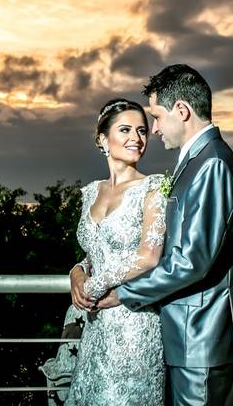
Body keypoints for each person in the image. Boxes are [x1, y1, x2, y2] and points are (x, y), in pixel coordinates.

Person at [77, 64, 233, 406]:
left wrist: (123, 293)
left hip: (202, 334)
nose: (153, 130)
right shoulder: (196, 161)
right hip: (188, 336)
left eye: (155, 117)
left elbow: (191, 261)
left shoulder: (212, 163)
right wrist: (79, 270)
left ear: (182, 111)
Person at [66, 98, 168, 406]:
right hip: (95, 328)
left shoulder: (154, 188)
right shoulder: (91, 192)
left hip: (134, 326)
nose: (136, 138)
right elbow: (96, 252)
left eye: (142, 131)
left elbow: (149, 256)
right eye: (125, 130)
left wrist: (94, 286)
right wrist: (77, 272)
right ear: (102, 139)